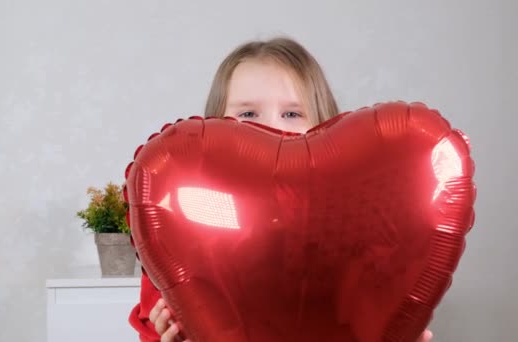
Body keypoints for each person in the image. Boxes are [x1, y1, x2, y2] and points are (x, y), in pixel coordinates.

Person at [128, 36, 434, 342]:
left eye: (291, 114)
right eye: (248, 114)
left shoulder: (354, 225)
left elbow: (372, 301)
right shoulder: (188, 220)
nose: (272, 128)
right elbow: (165, 313)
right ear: (213, 127)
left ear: (327, 126)